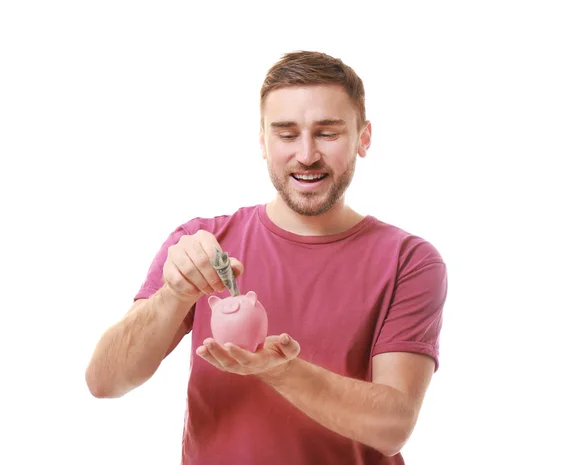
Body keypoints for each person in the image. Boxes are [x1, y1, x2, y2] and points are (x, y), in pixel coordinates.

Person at [85, 50, 448, 465]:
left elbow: (393, 427)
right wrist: (173, 295)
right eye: (286, 133)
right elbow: (104, 381)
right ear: (262, 140)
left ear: (363, 138)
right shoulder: (202, 242)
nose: (307, 154)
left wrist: (277, 369)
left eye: (327, 133)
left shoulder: (409, 261)